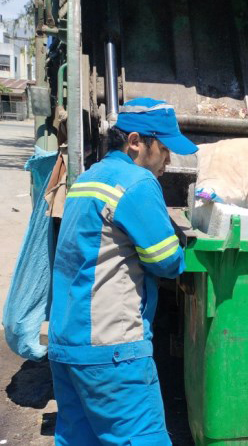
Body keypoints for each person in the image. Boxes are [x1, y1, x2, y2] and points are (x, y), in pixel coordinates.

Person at [48, 98, 198, 445]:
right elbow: (168, 262)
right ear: (135, 142)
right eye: (163, 148)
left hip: (67, 345)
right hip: (112, 350)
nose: (168, 160)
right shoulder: (137, 183)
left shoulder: (87, 179)